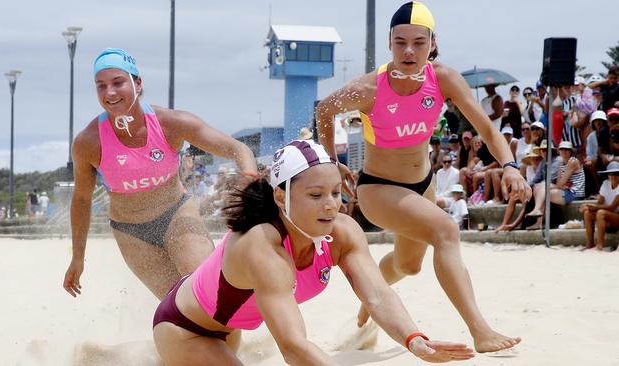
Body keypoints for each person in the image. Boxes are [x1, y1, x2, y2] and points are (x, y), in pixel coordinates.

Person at [315, 1, 527, 353]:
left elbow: (489, 132)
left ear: (432, 42)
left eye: (418, 41)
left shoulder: (442, 78)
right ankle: (481, 330)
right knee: (446, 229)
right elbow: (325, 109)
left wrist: (511, 166)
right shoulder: (368, 89)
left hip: (422, 184)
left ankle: (372, 296)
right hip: (378, 189)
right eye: (400, 42)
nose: (409, 50)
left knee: (408, 265)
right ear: (389, 42)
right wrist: (329, 160)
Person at [153, 140, 475, 365]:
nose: (331, 204)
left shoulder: (343, 233)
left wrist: (414, 339)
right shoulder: (263, 245)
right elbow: (293, 347)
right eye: (316, 194)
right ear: (281, 198)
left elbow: (377, 295)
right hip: (186, 329)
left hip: (227, 328)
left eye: (336, 192)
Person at [63, 48, 257, 299]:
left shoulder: (171, 123)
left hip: (177, 214)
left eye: (118, 82)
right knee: (179, 304)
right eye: (101, 86)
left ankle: (231, 336)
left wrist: (249, 178)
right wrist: (78, 258)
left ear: (138, 82)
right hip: (130, 231)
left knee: (207, 292)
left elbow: (238, 149)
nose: (109, 92)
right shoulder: (88, 142)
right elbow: (81, 199)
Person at [526, 141, 585, 228]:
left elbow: (561, 183)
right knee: (539, 187)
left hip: (575, 193)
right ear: (559, 151)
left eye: (567, 149)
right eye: (562, 149)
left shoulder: (573, 162)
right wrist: (559, 185)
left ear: (571, 152)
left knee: (544, 189)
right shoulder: (561, 163)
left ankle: (537, 212)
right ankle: (538, 220)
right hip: (566, 190)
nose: (564, 151)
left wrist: (560, 184)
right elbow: (559, 183)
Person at [580, 161, 619, 250]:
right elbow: (599, 203)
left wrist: (592, 206)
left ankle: (599, 245)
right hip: (609, 216)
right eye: (611, 174)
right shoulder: (605, 184)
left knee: (601, 212)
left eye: (616, 173)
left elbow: (612, 207)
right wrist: (588, 207)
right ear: (608, 175)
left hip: (616, 217)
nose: (614, 176)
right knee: (587, 213)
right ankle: (590, 244)